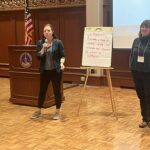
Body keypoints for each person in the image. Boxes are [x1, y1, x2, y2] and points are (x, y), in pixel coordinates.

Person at [31, 24, 65, 120]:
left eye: (48, 30)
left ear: (52, 32)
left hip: (55, 71)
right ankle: (38, 110)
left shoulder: (58, 42)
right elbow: (38, 56)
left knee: (57, 91)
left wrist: (62, 63)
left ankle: (57, 111)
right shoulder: (40, 42)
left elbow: (63, 55)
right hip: (45, 71)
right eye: (45, 31)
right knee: (42, 91)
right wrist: (43, 48)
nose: (46, 32)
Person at [129, 20, 150, 128]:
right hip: (136, 72)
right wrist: (131, 66)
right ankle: (145, 119)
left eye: (147, 27)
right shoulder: (136, 40)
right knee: (141, 96)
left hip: (148, 73)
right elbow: (132, 54)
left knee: (148, 95)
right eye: (142, 27)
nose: (144, 29)